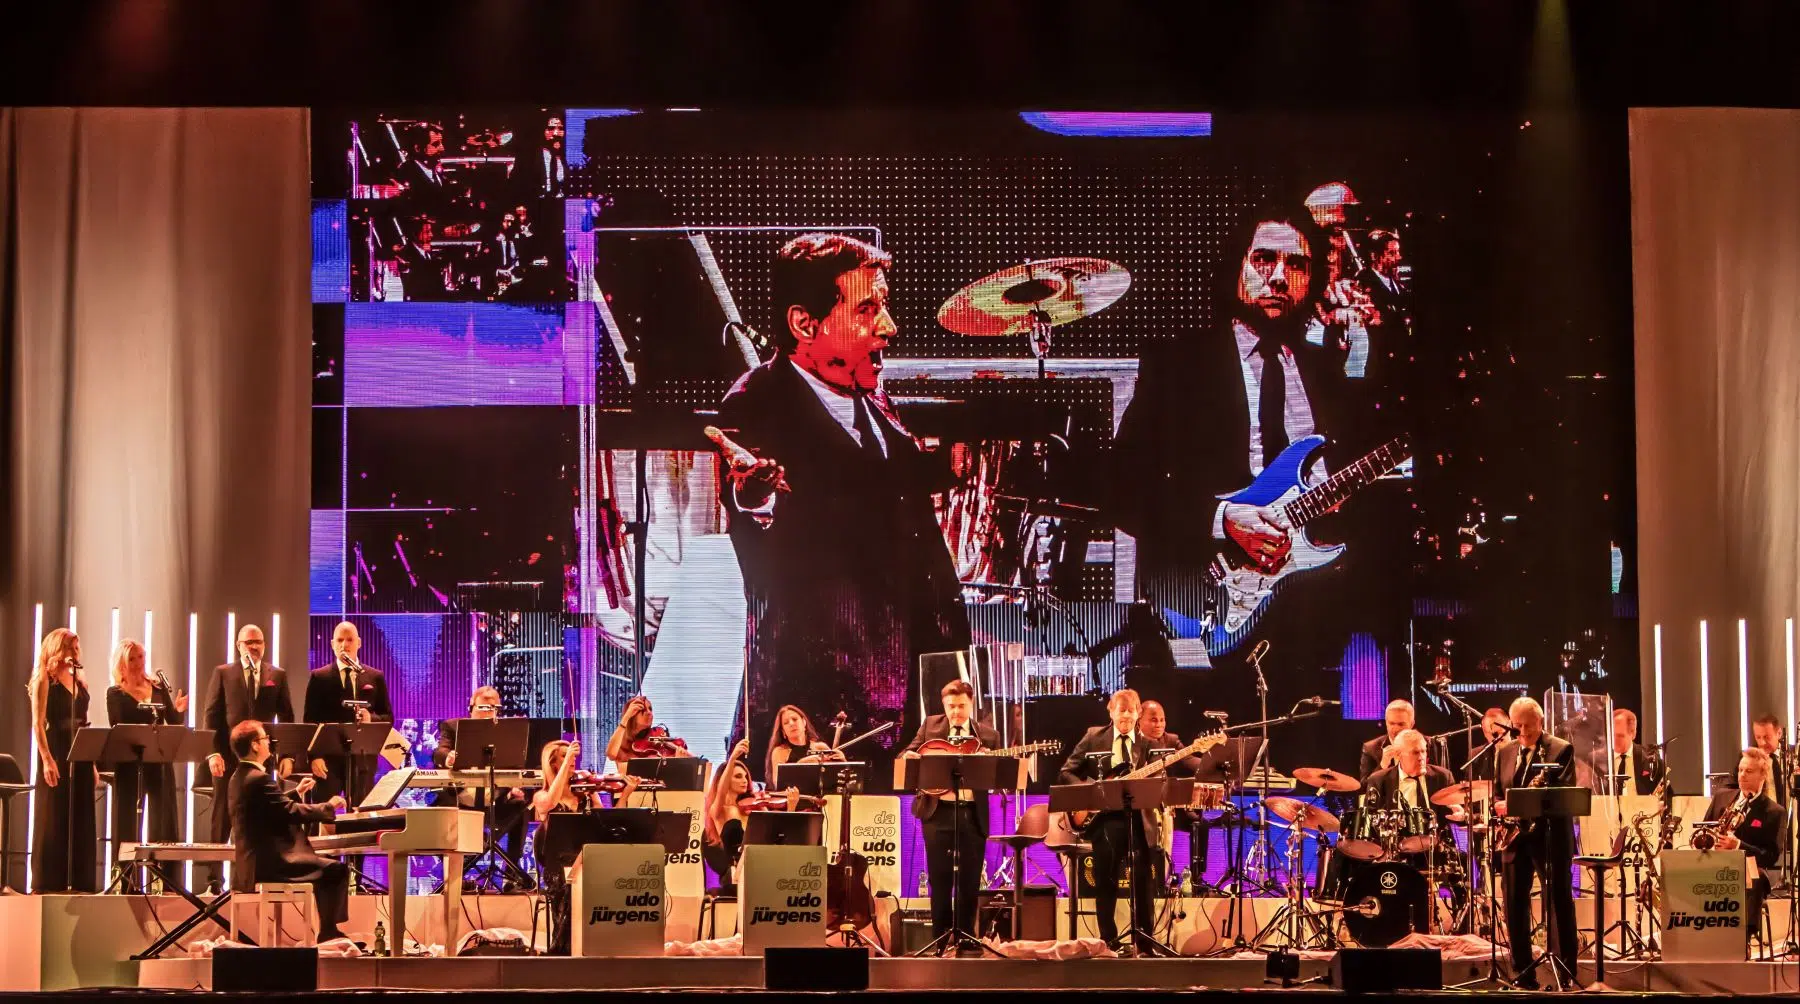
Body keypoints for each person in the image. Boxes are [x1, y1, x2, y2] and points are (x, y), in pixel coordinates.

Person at [715, 233, 970, 757]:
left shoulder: (876, 402)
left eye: (886, 307)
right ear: (804, 324)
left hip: (903, 694)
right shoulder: (759, 399)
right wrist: (753, 497)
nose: (889, 327)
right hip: (818, 704)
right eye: (868, 309)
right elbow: (756, 514)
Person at [1057, 688, 1161, 954]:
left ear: (1139, 713)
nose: (1126, 715)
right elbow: (1067, 771)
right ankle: (1108, 941)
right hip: (1104, 820)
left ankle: (1145, 943)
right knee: (1106, 881)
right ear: (1110, 710)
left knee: (1142, 883)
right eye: (1121, 709)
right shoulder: (1094, 737)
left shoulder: (1148, 744)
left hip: (1139, 820)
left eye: (1131, 710)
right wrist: (1092, 791)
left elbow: (1160, 785)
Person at [228, 720, 350, 942]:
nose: (269, 743)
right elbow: (290, 812)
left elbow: (270, 807)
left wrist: (296, 792)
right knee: (336, 870)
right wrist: (329, 806)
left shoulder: (238, 777)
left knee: (327, 869)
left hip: (250, 865)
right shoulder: (259, 778)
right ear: (255, 745)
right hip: (272, 863)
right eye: (266, 739)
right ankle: (328, 931)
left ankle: (328, 930)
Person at [900, 680, 998, 949]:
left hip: (972, 813)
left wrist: (990, 763)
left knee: (970, 878)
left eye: (962, 706)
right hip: (937, 812)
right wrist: (910, 756)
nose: (956, 712)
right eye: (951, 706)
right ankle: (940, 937)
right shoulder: (930, 727)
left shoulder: (988, 735)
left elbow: (999, 777)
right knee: (939, 877)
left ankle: (967, 936)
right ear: (943, 705)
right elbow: (907, 753)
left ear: (971, 703)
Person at [1494, 696, 1578, 989]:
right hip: (1515, 840)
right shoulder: (1504, 753)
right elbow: (1497, 794)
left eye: (1529, 726)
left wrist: (1519, 804)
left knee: (1558, 902)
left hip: (1549, 837)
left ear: (1541, 722)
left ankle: (1565, 969)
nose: (1524, 733)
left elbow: (1562, 795)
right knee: (1514, 903)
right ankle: (1522, 971)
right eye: (1518, 727)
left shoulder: (1560, 749)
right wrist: (1500, 808)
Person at [203, 624, 296, 850]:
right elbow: (211, 716)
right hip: (228, 758)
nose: (254, 647)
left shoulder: (277, 675)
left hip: (262, 760)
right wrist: (213, 753)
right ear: (238, 646)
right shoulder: (223, 673)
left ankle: (256, 877)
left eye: (259, 642)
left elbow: (286, 718)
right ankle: (214, 881)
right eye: (249, 642)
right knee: (222, 817)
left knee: (260, 817)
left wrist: (287, 755)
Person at [106, 640, 185, 886]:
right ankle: (125, 879)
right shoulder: (115, 693)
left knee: (163, 818)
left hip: (158, 760)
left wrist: (179, 710)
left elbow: (172, 721)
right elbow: (117, 725)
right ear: (122, 663)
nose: (138, 663)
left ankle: (162, 879)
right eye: (132, 659)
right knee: (128, 818)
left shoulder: (158, 688)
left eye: (141, 657)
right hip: (130, 763)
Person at [433, 686, 529, 881]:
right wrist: (448, 758)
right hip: (459, 800)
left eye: (494, 707)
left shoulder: (507, 731)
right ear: (471, 707)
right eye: (483, 706)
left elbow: (517, 762)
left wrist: (513, 787)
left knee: (521, 808)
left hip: (495, 801)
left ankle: (511, 873)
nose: (488, 712)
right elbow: (439, 751)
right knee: (436, 812)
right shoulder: (452, 726)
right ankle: (453, 876)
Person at [29, 628, 97, 892]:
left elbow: (85, 721)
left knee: (81, 812)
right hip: (56, 746)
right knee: (54, 814)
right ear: (58, 648)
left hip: (79, 748)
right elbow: (38, 723)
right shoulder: (44, 680)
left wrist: (91, 763)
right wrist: (47, 759)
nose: (75, 653)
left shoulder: (79, 679)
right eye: (70, 647)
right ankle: (48, 880)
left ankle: (81, 879)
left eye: (77, 648)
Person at [1702, 748, 1786, 955]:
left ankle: (1743, 940)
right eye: (1740, 770)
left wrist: (1738, 845)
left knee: (1753, 881)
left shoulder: (1775, 812)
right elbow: (1703, 830)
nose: (1742, 775)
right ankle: (1695, 935)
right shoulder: (1722, 797)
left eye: (1748, 771)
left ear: (1762, 776)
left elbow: (1771, 856)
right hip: (1716, 861)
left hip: (1752, 867)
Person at [304, 621, 394, 807]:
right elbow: (310, 722)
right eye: (340, 640)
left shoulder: (374, 676)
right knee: (323, 812)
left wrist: (371, 718)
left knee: (361, 812)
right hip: (328, 759)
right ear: (332, 644)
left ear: (359, 643)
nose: (344, 645)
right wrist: (314, 757)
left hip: (363, 758)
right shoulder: (319, 677)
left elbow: (388, 717)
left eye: (349, 640)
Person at [703, 740, 755, 894]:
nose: (744, 780)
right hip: (735, 872)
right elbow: (720, 793)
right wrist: (732, 759)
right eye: (738, 776)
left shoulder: (752, 807)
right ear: (724, 780)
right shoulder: (719, 811)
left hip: (757, 866)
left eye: (746, 776)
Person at [1591, 708, 1669, 798]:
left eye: (1620, 736)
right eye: (1612, 735)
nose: (1614, 740)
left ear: (1633, 734)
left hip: (1642, 811)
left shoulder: (1650, 758)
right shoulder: (1596, 760)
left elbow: (1666, 796)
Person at [603, 694, 691, 772]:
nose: (649, 713)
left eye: (650, 709)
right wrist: (626, 717)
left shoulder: (657, 737)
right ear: (631, 714)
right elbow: (611, 754)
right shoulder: (622, 744)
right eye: (643, 710)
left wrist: (678, 762)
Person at [764, 704, 834, 788]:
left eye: (794, 719)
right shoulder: (779, 751)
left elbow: (834, 777)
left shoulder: (821, 747)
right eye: (786, 723)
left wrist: (843, 761)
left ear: (804, 722)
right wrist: (801, 764)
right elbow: (777, 783)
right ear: (783, 731)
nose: (791, 724)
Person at [1359, 699, 1416, 781]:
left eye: (1401, 724)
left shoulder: (1426, 744)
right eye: (1392, 723)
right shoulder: (1370, 748)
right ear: (1386, 723)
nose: (1396, 729)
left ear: (1411, 724)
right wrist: (1382, 765)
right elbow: (1364, 787)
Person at [1750, 714, 1789, 805]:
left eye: (1767, 737)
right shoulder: (1748, 758)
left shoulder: (1794, 755)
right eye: (1758, 737)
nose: (1762, 743)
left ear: (1779, 733)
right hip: (1763, 816)